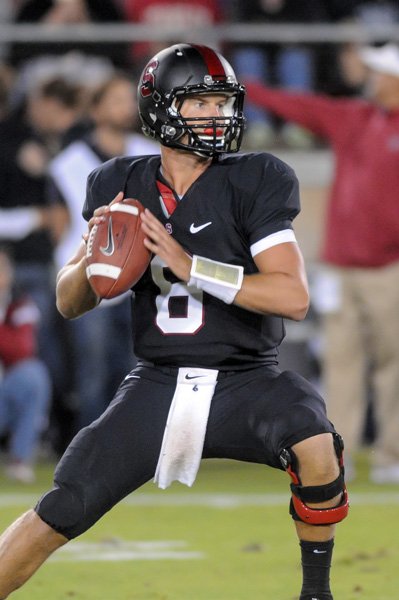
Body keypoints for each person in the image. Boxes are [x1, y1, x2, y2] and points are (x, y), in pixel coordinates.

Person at [0, 43, 349, 600]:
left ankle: (316, 592)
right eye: (202, 104)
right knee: (62, 505)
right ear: (160, 107)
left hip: (247, 378)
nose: (219, 117)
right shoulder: (118, 182)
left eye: (223, 104)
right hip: (157, 380)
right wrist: (94, 260)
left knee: (315, 442)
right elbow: (69, 302)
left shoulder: (255, 177)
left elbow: (292, 296)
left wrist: (193, 266)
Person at [245, 41, 399, 483]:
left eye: (381, 73)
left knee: (392, 367)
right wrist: (249, 90)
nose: (373, 79)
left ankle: (391, 453)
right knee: (341, 364)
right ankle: (339, 453)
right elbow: (300, 106)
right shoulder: (354, 118)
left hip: (389, 268)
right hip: (342, 267)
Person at [47, 73, 159, 431]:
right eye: (115, 100)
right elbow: (59, 225)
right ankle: (87, 445)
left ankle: (130, 445)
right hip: (91, 273)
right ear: (95, 109)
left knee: (135, 368)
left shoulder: (149, 153)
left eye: (128, 99)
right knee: (91, 371)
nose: (125, 107)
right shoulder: (69, 160)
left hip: (141, 278)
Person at [0, 244, 51, 484]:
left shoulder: (20, 304)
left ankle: (20, 459)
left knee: (34, 375)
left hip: (4, 398)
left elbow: (23, 349)